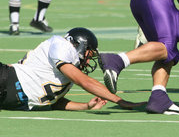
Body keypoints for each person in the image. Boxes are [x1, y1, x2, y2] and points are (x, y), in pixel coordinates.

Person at [0, 27, 143, 111]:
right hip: (5, 80)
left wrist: (86, 105)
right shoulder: (62, 45)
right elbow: (84, 82)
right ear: (80, 45)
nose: (88, 61)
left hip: (7, 97)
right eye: (89, 53)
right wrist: (120, 101)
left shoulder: (66, 74)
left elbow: (53, 101)